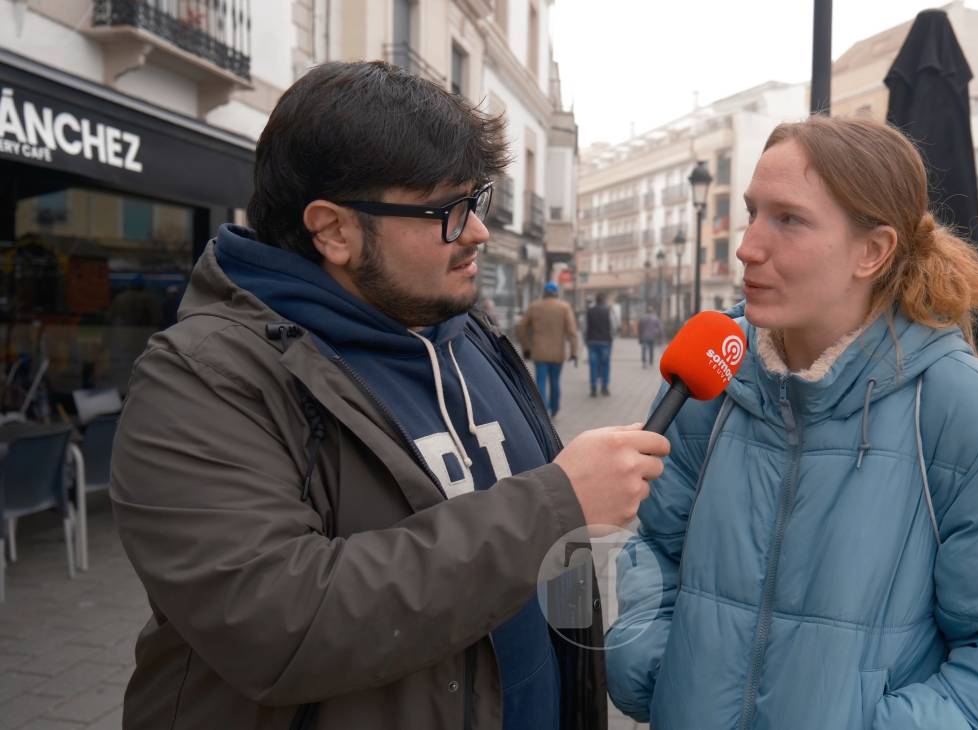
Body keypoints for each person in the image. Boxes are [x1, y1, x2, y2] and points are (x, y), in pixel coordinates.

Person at [110, 61, 670, 730]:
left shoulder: (467, 332)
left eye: (477, 198)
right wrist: (558, 502)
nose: (477, 232)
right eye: (446, 211)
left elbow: (551, 572)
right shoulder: (204, 378)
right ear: (334, 230)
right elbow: (279, 624)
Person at [606, 116, 978, 729]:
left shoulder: (973, 415)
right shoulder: (712, 381)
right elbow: (657, 550)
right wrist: (657, 667)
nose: (747, 246)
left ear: (872, 251)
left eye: (788, 219)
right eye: (752, 212)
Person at [516, 281, 579, 418]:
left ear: (544, 293)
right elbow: (572, 332)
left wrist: (526, 347)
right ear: (556, 293)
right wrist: (574, 352)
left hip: (539, 353)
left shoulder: (534, 306)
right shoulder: (564, 307)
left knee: (541, 382)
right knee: (555, 381)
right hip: (558, 354)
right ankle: (555, 409)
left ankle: (542, 412)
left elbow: (520, 327)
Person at [584, 292, 616, 397]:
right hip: (605, 342)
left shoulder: (590, 311)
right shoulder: (608, 311)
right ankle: (604, 388)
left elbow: (585, 327)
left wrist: (586, 341)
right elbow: (614, 326)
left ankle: (593, 388)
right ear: (603, 301)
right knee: (605, 365)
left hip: (592, 342)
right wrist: (612, 338)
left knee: (593, 365)